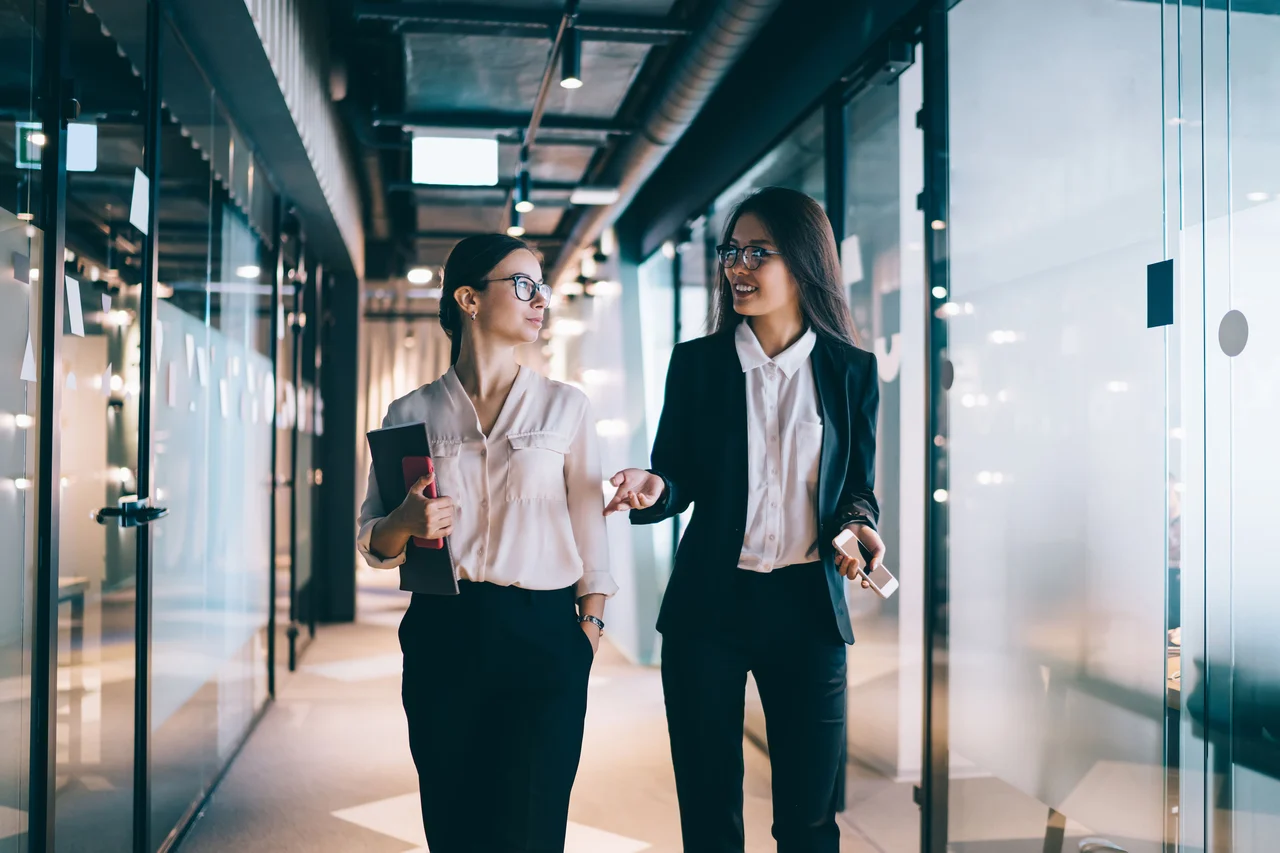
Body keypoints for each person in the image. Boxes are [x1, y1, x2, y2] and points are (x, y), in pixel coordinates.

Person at [605, 187, 885, 853]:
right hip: (710, 610)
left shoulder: (852, 371)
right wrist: (654, 486)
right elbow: (676, 475)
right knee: (709, 818)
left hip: (807, 611)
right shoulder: (698, 365)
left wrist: (861, 529)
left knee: (809, 822)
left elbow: (857, 491)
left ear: (806, 261)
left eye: (759, 251)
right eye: (732, 250)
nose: (737, 265)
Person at [357, 234, 617, 853]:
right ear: (469, 298)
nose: (539, 301)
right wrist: (407, 520)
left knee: (534, 825)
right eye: (522, 285)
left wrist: (589, 630)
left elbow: (591, 535)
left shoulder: (566, 408)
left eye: (542, 288)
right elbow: (374, 540)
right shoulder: (409, 413)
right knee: (455, 823)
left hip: (545, 635)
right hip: (444, 631)